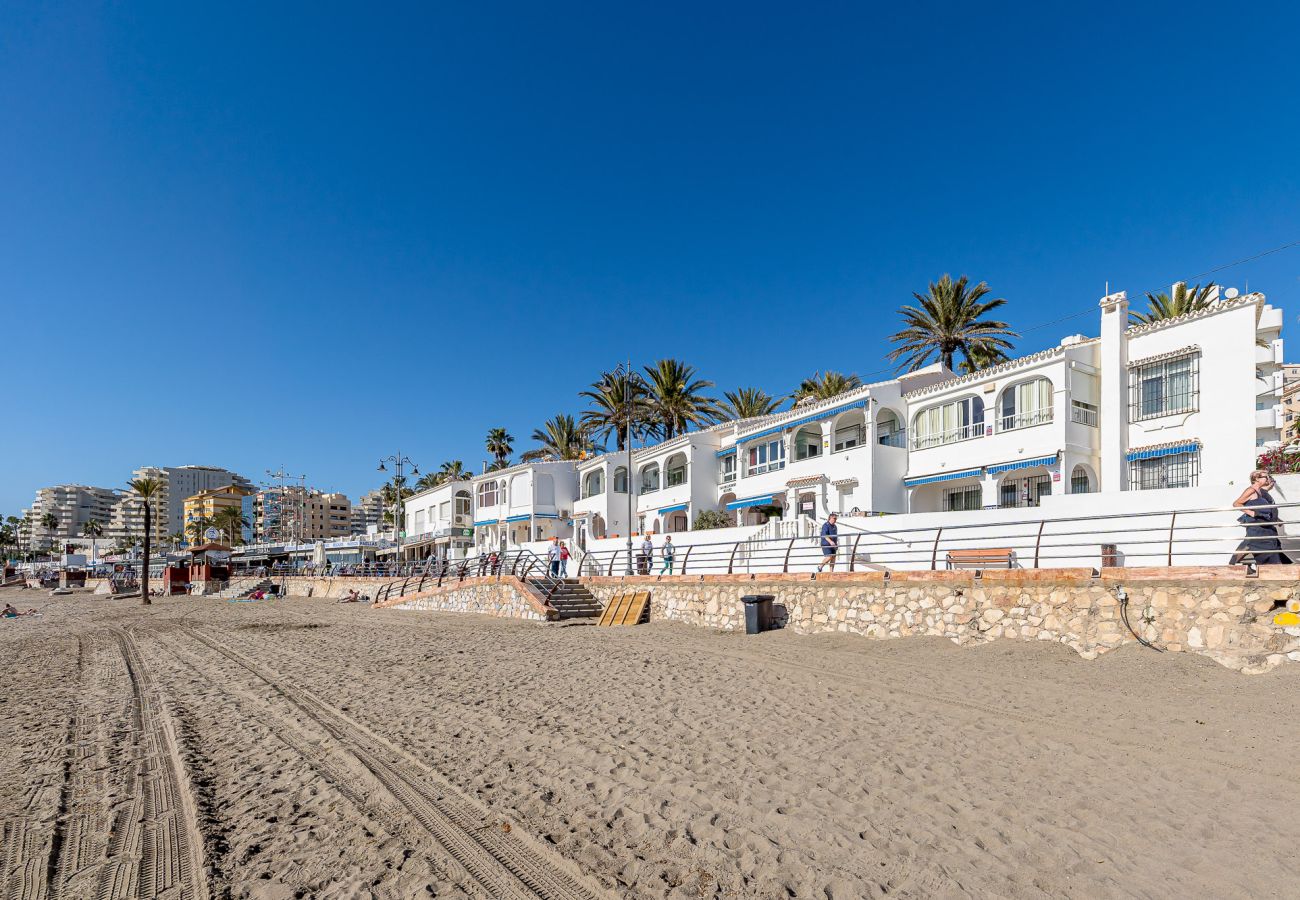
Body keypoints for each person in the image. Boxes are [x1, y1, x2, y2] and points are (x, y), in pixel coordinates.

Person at [1231, 471, 1292, 565]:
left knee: (1269, 547)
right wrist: (1251, 513)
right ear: (1256, 478)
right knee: (1258, 546)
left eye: (1268, 477)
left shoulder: (1260, 492)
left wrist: (1276, 519)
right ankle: (1233, 565)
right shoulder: (1251, 490)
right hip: (1257, 527)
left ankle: (1233, 564)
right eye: (1266, 477)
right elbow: (1236, 503)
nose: (1268, 479)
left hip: (1264, 526)